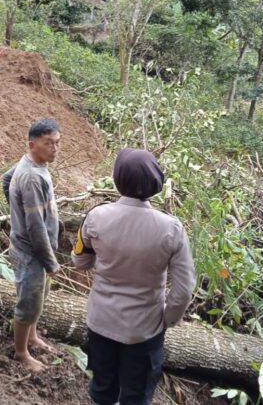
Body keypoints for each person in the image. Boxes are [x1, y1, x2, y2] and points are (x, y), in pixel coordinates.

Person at [73, 148, 196, 405]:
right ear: (156, 184)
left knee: (102, 388)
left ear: (117, 179)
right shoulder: (171, 228)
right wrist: (168, 319)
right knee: (136, 396)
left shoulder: (95, 217)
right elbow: (184, 290)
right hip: (144, 330)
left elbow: (80, 261)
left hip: (101, 322)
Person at [3, 119, 62, 372]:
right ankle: (21, 352)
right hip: (32, 251)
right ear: (32, 144)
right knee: (28, 303)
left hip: (32, 248)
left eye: (57, 143)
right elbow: (36, 228)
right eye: (49, 143)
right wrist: (50, 262)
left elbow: (6, 180)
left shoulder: (31, 163)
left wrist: (15, 205)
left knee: (36, 298)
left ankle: (33, 336)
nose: (54, 149)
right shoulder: (32, 178)